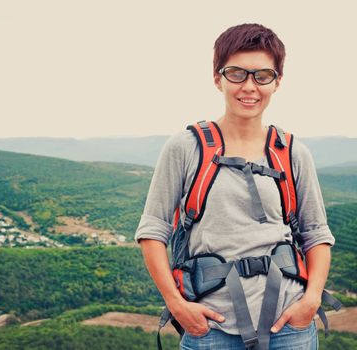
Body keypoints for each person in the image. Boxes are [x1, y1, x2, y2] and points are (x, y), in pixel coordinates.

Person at [135, 23, 335, 350]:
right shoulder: (186, 148)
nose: (249, 86)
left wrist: (310, 301)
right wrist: (177, 304)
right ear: (218, 78)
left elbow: (316, 233)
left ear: (277, 82)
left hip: (289, 322)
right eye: (237, 74)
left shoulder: (292, 152)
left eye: (262, 76)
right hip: (210, 324)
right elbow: (152, 230)